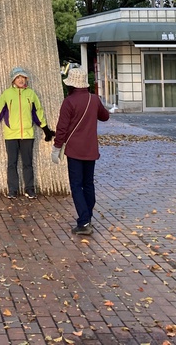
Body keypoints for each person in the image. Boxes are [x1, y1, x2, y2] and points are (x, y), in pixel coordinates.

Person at [0, 66, 55, 199]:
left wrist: (45, 129)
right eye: (18, 78)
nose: (21, 80)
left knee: (28, 163)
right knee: (12, 163)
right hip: (11, 134)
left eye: (23, 78)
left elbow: (37, 112)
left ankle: (29, 188)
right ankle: (12, 190)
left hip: (27, 134)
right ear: (13, 80)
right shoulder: (7, 94)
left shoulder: (31, 94)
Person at [53, 65, 109, 235]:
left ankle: (84, 222)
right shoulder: (94, 99)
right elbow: (105, 116)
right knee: (88, 184)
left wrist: (56, 147)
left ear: (71, 84)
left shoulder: (69, 102)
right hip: (91, 149)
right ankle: (88, 217)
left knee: (76, 185)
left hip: (74, 151)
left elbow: (62, 128)